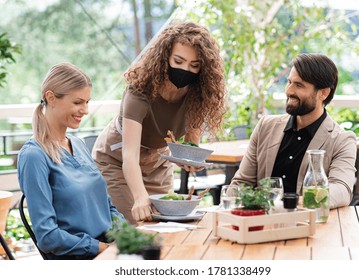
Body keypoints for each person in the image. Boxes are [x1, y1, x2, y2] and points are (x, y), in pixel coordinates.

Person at [92, 21, 226, 224]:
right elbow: (130, 155)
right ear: (165, 57)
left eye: (194, 65)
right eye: (178, 61)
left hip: (157, 163)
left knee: (165, 225)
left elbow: (188, 146)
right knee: (134, 224)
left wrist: (189, 161)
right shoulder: (140, 90)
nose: (185, 69)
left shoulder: (197, 95)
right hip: (118, 160)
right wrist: (139, 197)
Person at [17, 63, 124, 260]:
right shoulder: (33, 156)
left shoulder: (78, 144)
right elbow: (48, 237)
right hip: (82, 258)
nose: (85, 110)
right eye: (78, 102)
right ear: (51, 98)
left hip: (109, 249)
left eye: (87, 102)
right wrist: (101, 248)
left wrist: (126, 234)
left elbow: (107, 207)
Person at [230, 53, 356, 208]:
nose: (289, 91)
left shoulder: (342, 140)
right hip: (261, 225)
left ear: (323, 93)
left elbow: (342, 190)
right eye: (289, 82)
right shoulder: (265, 126)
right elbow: (241, 183)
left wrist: (293, 204)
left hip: (311, 225)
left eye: (299, 85)